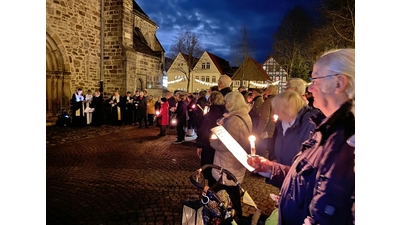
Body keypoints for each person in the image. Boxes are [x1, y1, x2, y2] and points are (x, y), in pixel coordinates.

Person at [247, 48, 355, 225]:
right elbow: (307, 178)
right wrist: (270, 168)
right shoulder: (326, 130)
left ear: (339, 83)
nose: (310, 88)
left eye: (315, 79)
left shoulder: (349, 141)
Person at [210, 91, 252, 220]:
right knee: (232, 189)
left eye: (227, 101)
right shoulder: (244, 115)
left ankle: (229, 217)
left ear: (233, 103)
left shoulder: (233, 120)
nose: (225, 104)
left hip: (228, 161)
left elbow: (225, 145)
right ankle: (232, 216)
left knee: (228, 190)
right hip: (236, 160)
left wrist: (213, 141)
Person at [267, 91, 323, 166]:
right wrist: (275, 158)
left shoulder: (311, 123)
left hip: (297, 173)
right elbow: (277, 142)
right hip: (281, 171)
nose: (275, 112)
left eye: (277, 109)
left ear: (287, 109)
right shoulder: (281, 122)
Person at [195, 91, 226, 188]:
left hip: (209, 146)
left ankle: (212, 190)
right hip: (222, 147)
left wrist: (200, 145)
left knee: (210, 168)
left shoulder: (210, 115)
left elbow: (203, 131)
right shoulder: (226, 114)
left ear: (211, 101)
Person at [255, 85, 278, 158]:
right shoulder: (280, 101)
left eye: (266, 90)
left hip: (267, 131)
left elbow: (264, 119)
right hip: (275, 129)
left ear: (270, 92)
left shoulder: (268, 102)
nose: (265, 91)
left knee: (264, 150)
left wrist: (258, 132)